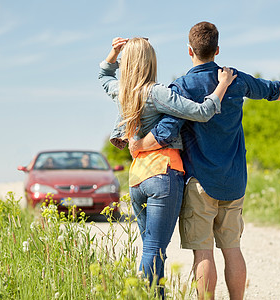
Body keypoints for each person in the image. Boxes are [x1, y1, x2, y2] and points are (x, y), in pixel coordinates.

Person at [129, 21, 280, 300]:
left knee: (203, 251)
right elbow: (273, 89)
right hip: (234, 181)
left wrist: (138, 146)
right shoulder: (235, 79)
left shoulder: (182, 86)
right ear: (217, 49)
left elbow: (165, 131)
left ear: (189, 51)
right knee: (233, 249)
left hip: (200, 182)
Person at [98, 37, 237, 297]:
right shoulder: (156, 92)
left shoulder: (122, 91)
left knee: (152, 247)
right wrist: (222, 85)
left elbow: (103, 76)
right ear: (151, 62)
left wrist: (113, 53)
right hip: (162, 173)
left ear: (126, 63)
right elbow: (203, 111)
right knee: (154, 249)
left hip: (137, 179)